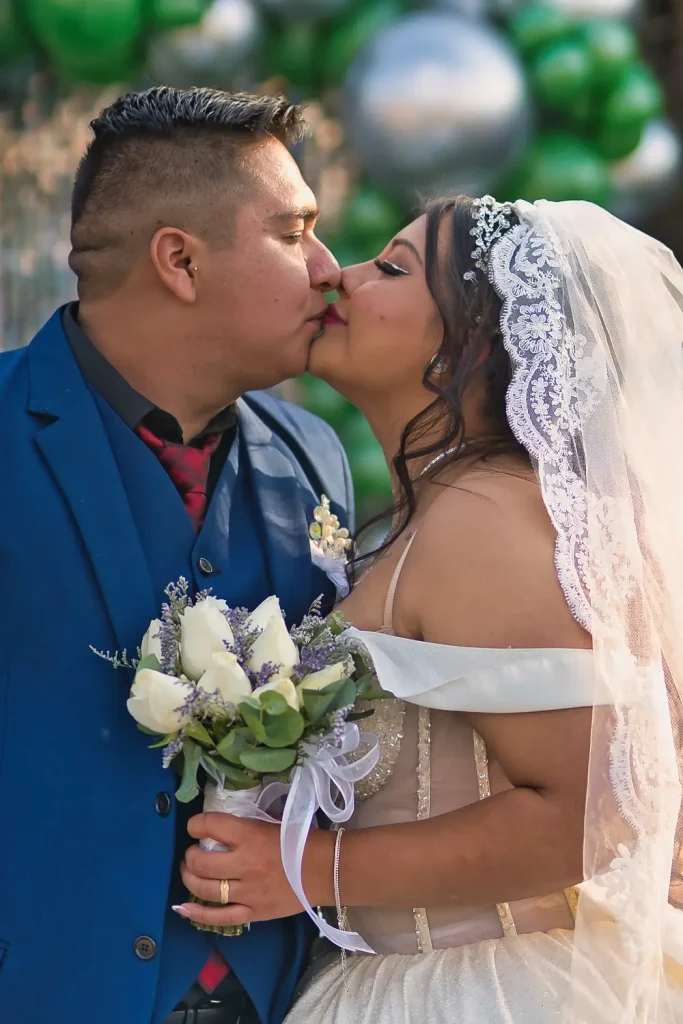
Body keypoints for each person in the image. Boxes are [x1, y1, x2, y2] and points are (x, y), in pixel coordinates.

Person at [176, 195, 683, 1023]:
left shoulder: (481, 514)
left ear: (468, 347)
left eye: (392, 268)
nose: (339, 275)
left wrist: (305, 869)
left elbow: (590, 813)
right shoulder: (438, 511)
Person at [0, 86, 354, 1024]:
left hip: (283, 995)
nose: (328, 269)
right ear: (181, 261)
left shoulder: (315, 456)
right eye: (293, 233)